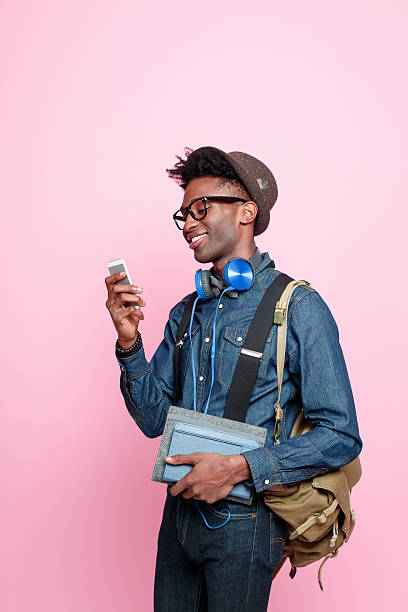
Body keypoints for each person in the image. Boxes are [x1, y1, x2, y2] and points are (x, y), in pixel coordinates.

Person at [105, 146, 362, 612]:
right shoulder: (186, 311)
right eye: (182, 213)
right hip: (179, 518)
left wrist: (240, 467)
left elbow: (341, 434)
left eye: (200, 208)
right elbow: (153, 419)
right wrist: (129, 345)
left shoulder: (299, 307)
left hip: (248, 520)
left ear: (247, 212)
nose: (187, 223)